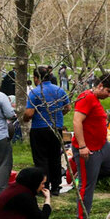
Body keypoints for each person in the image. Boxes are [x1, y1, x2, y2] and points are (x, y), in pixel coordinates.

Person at [71, 73, 110, 219]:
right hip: (88, 149)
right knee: (87, 187)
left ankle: (84, 173)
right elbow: (76, 121)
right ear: (100, 86)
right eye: (108, 91)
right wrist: (82, 146)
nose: (109, 95)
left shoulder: (96, 100)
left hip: (103, 146)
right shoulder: (86, 97)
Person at [23, 67, 70, 195]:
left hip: (39, 128)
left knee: (41, 159)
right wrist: (58, 115)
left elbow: (29, 112)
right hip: (56, 128)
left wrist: (24, 118)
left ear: (36, 78)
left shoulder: (35, 92)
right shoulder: (60, 90)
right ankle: (56, 186)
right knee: (55, 157)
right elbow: (68, 107)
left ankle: (43, 185)